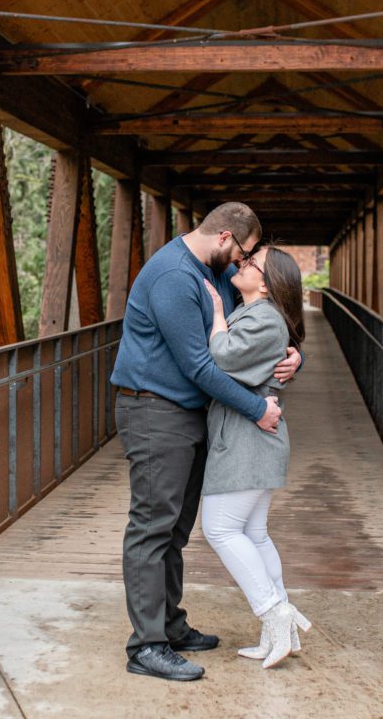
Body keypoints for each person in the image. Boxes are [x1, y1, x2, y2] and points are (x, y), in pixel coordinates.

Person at [111, 202, 302, 682]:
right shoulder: (175, 276)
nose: (245, 262)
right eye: (245, 251)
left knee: (175, 530)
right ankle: (147, 646)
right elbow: (202, 365)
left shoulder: (213, 271)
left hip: (191, 414)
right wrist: (258, 408)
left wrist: (293, 359)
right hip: (155, 411)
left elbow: (253, 338)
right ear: (224, 238)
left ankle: (169, 627)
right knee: (152, 527)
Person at [201, 243, 310, 669]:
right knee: (254, 532)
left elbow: (224, 356)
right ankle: (276, 631)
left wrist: (213, 318)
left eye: (251, 263)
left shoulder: (263, 318)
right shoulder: (255, 310)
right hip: (252, 436)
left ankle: (274, 611)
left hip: (250, 437)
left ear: (265, 283)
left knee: (221, 529)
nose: (241, 264)